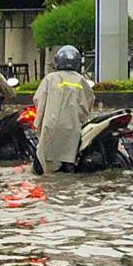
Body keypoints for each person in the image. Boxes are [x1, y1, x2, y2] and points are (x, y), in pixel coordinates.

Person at [32, 45, 95, 174]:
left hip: (50, 124)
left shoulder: (50, 78)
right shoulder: (81, 80)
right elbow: (88, 103)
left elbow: (38, 100)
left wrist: (39, 121)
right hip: (72, 126)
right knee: (68, 158)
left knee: (44, 161)